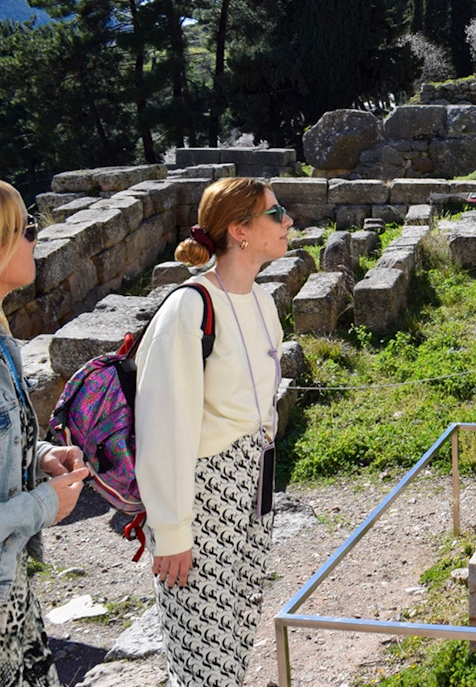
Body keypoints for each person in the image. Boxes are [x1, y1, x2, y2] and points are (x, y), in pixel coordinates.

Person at [134, 177, 289, 686]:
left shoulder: (262, 302)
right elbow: (164, 426)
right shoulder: (190, 307)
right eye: (275, 212)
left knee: (234, 641)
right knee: (202, 656)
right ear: (240, 230)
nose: (288, 221)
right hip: (203, 496)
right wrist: (172, 531)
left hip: (252, 489)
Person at [0, 177, 89, 684]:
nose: (37, 236)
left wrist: (42, 455)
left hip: (10, 590)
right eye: (27, 227)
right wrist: (43, 505)